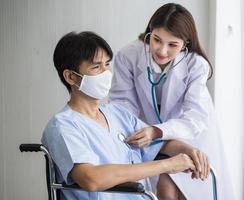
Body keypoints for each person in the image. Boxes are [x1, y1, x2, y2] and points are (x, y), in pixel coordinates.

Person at [41, 31, 211, 200]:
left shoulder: (117, 114)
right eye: (96, 67)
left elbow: (159, 143)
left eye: (107, 64)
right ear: (71, 77)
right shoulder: (63, 126)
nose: (106, 72)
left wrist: (191, 151)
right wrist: (167, 165)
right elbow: (91, 179)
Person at [109, 3, 235, 200]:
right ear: (150, 31)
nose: (162, 50)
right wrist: (147, 133)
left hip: (191, 138)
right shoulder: (128, 56)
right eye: (157, 40)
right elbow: (122, 108)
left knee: (189, 193)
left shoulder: (196, 65)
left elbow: (194, 118)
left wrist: (157, 131)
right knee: (165, 192)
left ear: (185, 43)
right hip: (149, 140)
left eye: (172, 45)